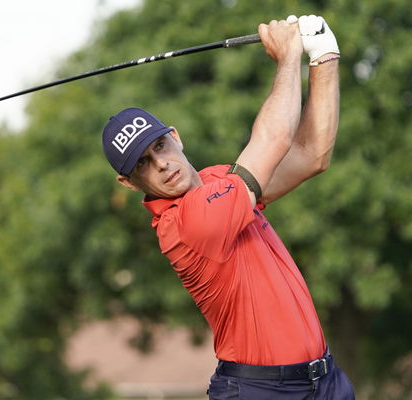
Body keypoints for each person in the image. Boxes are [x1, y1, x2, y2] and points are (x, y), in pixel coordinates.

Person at [101, 14, 354, 400]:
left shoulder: (221, 179)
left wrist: (323, 56)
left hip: (326, 380)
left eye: (160, 147)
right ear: (128, 182)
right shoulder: (185, 224)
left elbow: (310, 155)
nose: (162, 164)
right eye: (142, 165)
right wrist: (288, 56)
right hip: (260, 390)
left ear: (176, 137)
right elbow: (275, 137)